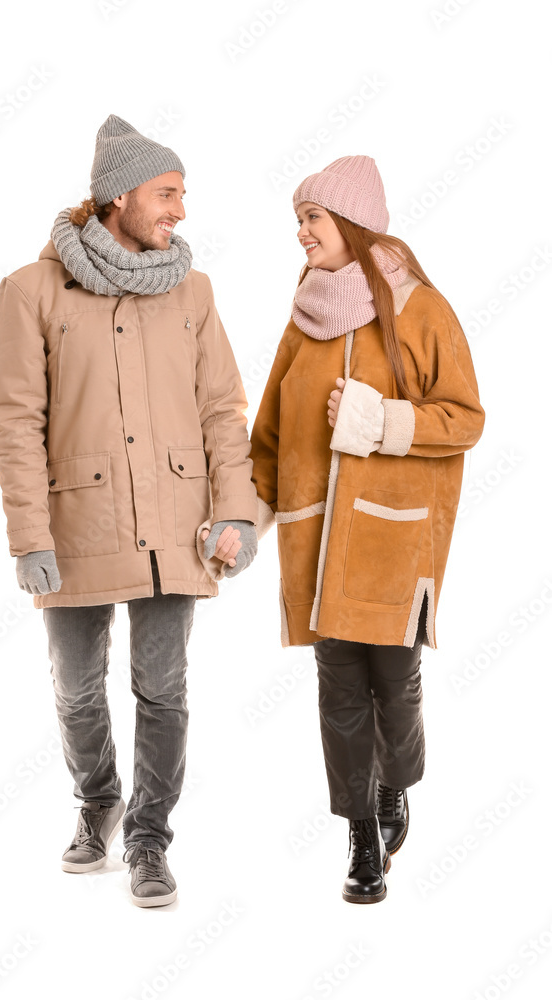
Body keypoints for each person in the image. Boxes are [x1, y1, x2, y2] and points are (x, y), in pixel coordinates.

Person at [0, 114, 259, 907]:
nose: (179, 210)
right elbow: (14, 420)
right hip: (75, 527)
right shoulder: (31, 291)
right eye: (166, 193)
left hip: (178, 523)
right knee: (75, 688)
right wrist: (27, 535)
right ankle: (97, 800)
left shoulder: (192, 290)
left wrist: (236, 513)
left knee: (163, 687)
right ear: (116, 198)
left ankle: (147, 838)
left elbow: (221, 410)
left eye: (182, 194)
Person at [247, 155, 485, 904]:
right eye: (297, 220)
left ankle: (393, 793)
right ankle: (359, 836)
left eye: (311, 218)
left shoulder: (421, 310)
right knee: (338, 692)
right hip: (316, 547)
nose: (300, 233)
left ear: (350, 221)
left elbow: (465, 419)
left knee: (395, 684)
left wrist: (381, 422)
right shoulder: (304, 319)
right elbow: (270, 435)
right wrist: (243, 517)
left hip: (394, 540)